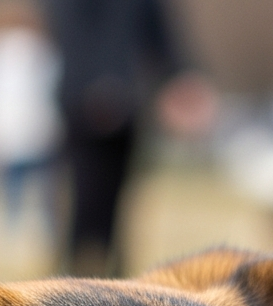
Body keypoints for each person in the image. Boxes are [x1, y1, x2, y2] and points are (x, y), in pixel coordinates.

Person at [43, 0, 211, 275]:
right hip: (80, 107)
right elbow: (70, 34)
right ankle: (71, 270)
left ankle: (114, 272)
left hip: (128, 108)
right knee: (83, 197)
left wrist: (184, 80)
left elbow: (162, 40)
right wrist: (95, 88)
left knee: (119, 200)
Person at [0, 2, 63, 225]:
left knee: (8, 184)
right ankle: (43, 226)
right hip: (36, 127)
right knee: (43, 183)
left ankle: (9, 225)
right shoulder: (41, 49)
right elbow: (53, 83)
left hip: (0, 129)